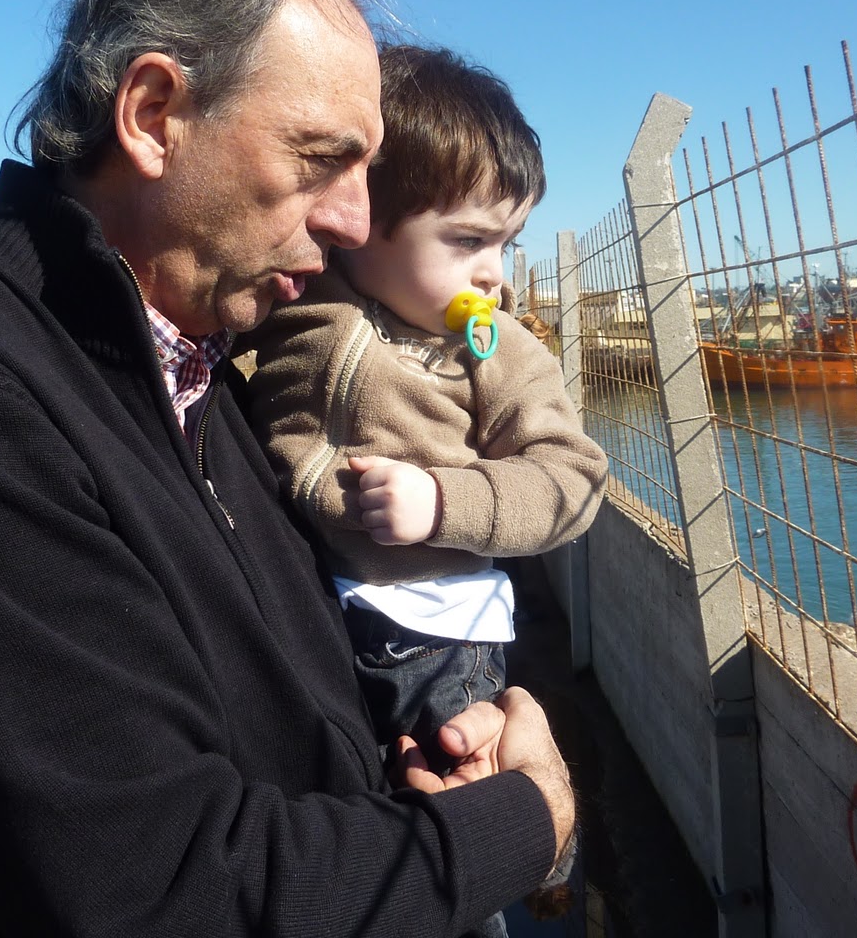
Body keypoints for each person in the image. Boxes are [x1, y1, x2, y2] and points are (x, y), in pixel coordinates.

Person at [0, 0, 573, 937]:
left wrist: (424, 763)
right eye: (319, 160)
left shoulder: (197, 373)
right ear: (151, 114)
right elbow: (173, 893)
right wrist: (525, 818)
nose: (351, 221)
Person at [242, 45, 606, 767]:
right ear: (363, 216)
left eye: (505, 244)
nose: (493, 274)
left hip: (433, 636)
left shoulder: (494, 349)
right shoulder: (298, 296)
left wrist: (443, 502)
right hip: (299, 603)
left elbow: (574, 478)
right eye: (469, 240)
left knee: (443, 773)